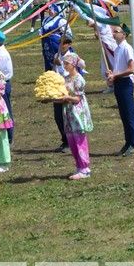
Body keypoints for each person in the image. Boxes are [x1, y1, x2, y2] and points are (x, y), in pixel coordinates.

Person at [59, 52, 93, 180]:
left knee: (79, 139)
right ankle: (79, 166)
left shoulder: (79, 79)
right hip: (68, 112)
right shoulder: (66, 79)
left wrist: (67, 97)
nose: (64, 65)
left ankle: (85, 168)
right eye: (64, 63)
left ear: (73, 64)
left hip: (77, 113)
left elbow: (78, 98)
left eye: (66, 63)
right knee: (72, 140)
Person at [109, 25, 134, 157]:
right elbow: (118, 67)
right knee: (123, 114)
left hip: (125, 83)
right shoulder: (117, 49)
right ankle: (128, 141)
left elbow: (131, 69)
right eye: (114, 31)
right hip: (118, 82)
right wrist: (112, 73)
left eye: (116, 32)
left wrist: (116, 75)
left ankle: (133, 143)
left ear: (124, 34)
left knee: (129, 113)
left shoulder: (127, 48)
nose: (114, 33)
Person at [0, 31, 14, 144]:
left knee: (6, 111)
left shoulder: (2, 55)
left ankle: (9, 137)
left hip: (3, 85)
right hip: (1, 83)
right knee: (0, 111)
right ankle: (3, 137)